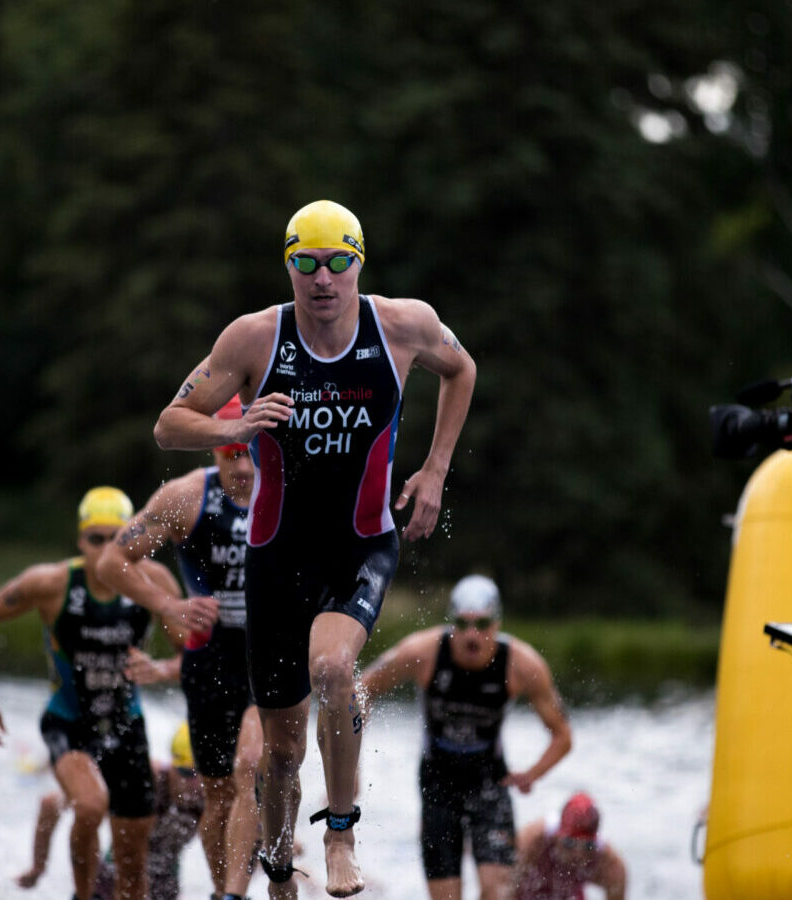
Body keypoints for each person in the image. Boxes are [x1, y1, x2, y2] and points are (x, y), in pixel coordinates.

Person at [154, 200, 477, 898]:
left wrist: (435, 470)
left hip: (360, 545)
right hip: (277, 558)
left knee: (333, 670)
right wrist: (233, 432)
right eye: (306, 262)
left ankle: (340, 835)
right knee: (280, 753)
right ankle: (276, 872)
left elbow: (463, 370)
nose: (322, 278)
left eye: (337, 262)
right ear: (289, 267)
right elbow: (168, 426)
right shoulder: (253, 341)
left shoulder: (402, 326)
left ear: (359, 262)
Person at [0, 487, 183, 900]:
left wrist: (159, 669)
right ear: (80, 540)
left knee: (133, 868)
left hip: (127, 726)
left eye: (116, 538)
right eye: (95, 539)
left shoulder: (154, 581)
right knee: (88, 805)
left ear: (131, 538)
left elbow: (191, 653)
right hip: (67, 722)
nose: (105, 549)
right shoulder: (51, 583)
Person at [97, 396, 264, 900]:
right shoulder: (185, 498)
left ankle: (237, 890)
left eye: (251, 452)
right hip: (209, 662)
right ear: (212, 447)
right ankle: (224, 891)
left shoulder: (289, 493)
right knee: (217, 795)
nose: (241, 466)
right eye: (229, 452)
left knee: (250, 768)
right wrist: (167, 606)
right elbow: (111, 563)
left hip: (268, 656)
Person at [360, 575, 574, 900]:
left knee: (498, 892)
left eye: (483, 625)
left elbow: (562, 736)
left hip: (490, 781)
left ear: (497, 623)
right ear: (451, 623)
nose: (472, 635)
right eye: (462, 624)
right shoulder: (424, 651)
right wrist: (351, 766)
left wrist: (532, 774)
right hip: (437, 782)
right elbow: (362, 688)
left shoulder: (522, 664)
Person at [21, 722, 206, 900]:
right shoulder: (145, 779)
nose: (196, 784)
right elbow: (51, 804)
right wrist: (38, 866)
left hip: (164, 888)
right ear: (172, 764)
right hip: (109, 883)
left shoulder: (212, 795)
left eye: (203, 775)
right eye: (187, 773)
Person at [513, 792, 627, 900]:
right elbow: (500, 887)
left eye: (588, 846)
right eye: (570, 843)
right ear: (557, 836)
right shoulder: (533, 842)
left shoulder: (609, 864)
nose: (578, 853)